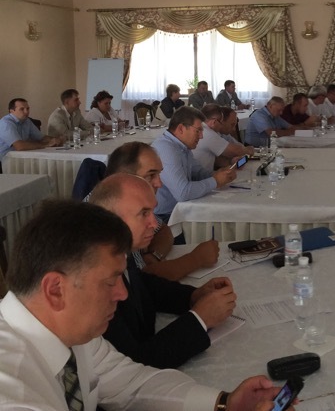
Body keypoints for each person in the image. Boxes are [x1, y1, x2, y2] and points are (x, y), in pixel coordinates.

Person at [0, 200, 279, 410]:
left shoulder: (71, 332)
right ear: (55, 290)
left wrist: (223, 404)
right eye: (110, 282)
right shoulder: (12, 393)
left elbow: (132, 384)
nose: (123, 294)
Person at [89, 174, 237, 368]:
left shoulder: (121, 251)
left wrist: (193, 296)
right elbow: (136, 363)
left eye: (152, 211)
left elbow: (145, 285)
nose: (153, 223)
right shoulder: (96, 282)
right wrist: (200, 319)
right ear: (111, 219)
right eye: (144, 213)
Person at [106, 141, 222, 282]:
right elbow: (142, 281)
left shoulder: (131, 202)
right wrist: (196, 259)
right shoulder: (108, 216)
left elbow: (163, 229)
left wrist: (154, 255)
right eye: (151, 175)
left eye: (159, 174)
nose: (159, 183)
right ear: (124, 177)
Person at [153, 107, 236, 221]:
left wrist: (218, 174)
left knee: (225, 213)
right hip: (166, 216)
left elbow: (198, 173)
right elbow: (183, 193)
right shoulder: (166, 149)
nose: (201, 136)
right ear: (181, 128)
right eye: (198, 131)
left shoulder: (182, 146)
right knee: (224, 217)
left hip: (181, 208)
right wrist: (216, 181)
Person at [194, 104, 252, 173]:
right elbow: (235, 151)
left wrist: (230, 162)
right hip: (201, 177)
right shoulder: (207, 133)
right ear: (214, 122)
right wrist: (248, 149)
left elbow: (213, 158)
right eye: (221, 123)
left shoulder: (207, 130)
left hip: (203, 174)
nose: (221, 126)